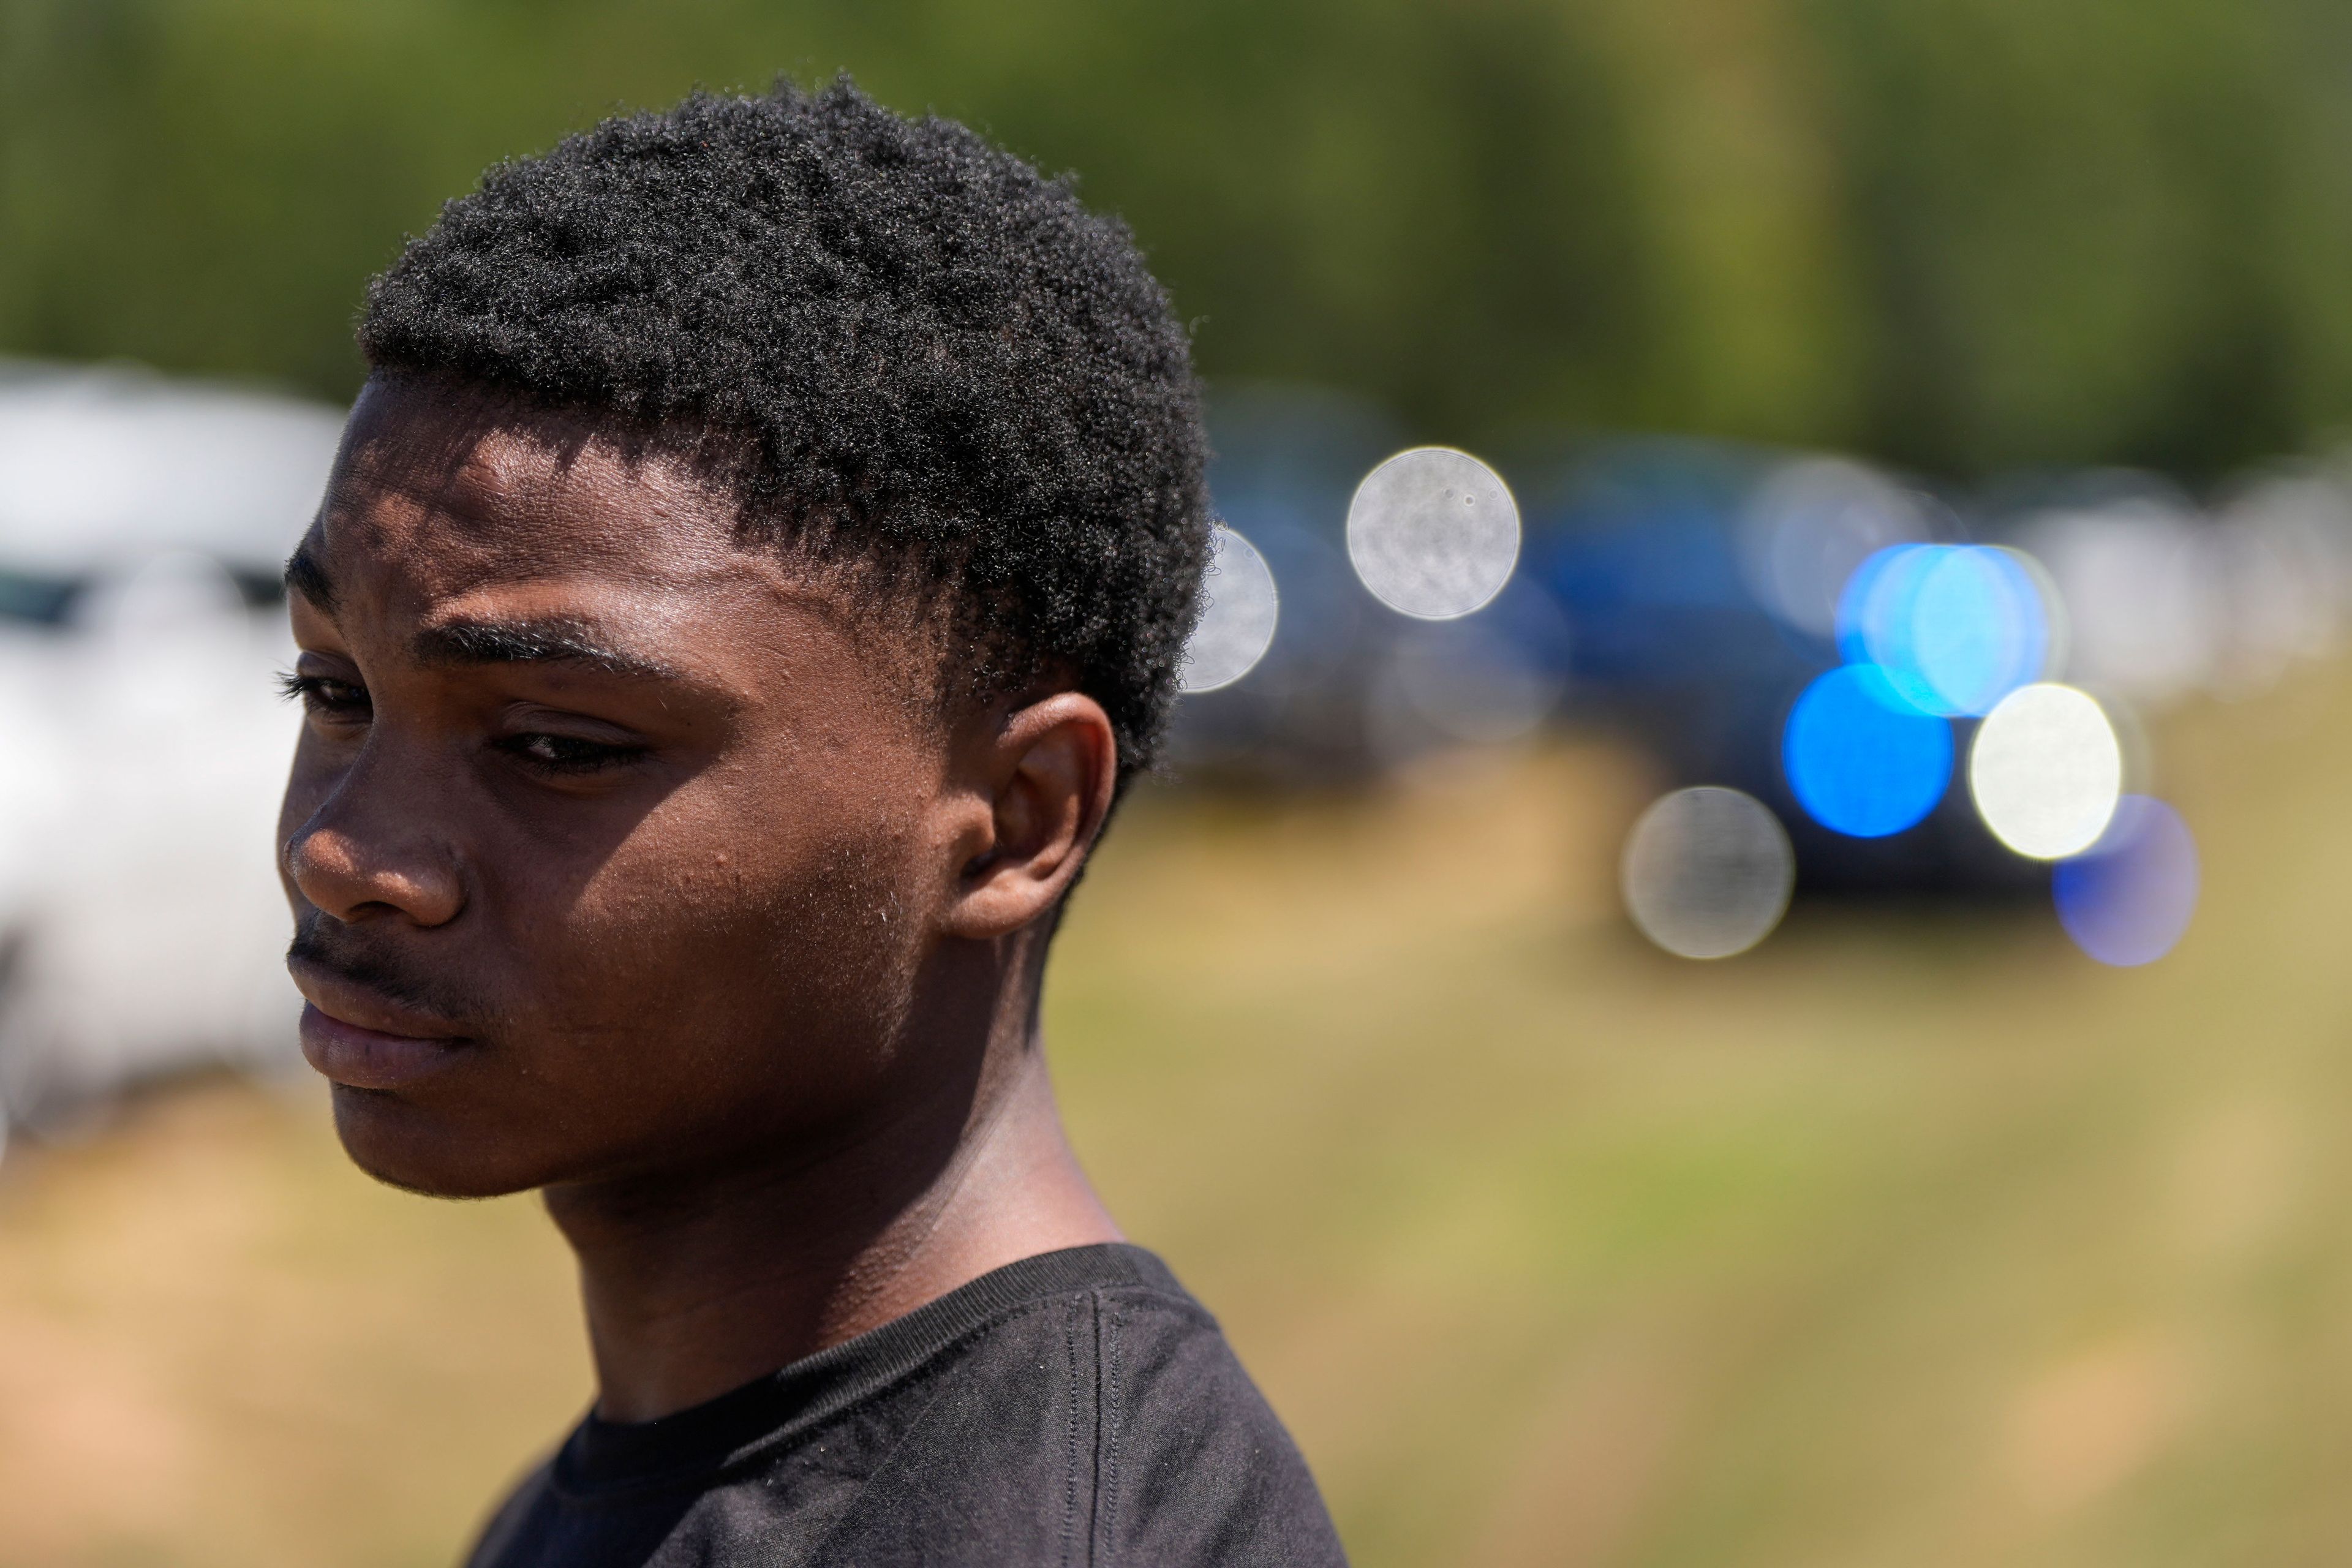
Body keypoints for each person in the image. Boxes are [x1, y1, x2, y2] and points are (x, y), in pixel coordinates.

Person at [276, 78, 1346, 1568]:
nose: (346, 849)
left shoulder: (1062, 1532)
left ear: (1012, 822)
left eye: (556, 744)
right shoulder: (612, 1493)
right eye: (331, 686)